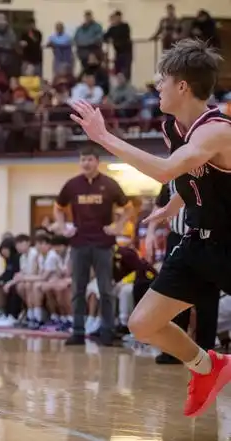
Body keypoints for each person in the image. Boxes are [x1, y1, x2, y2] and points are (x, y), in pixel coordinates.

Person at [69, 38, 231, 417]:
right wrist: (174, 204)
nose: (156, 87)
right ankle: (209, 367)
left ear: (182, 86)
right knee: (142, 324)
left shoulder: (217, 130)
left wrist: (104, 138)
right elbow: (193, 177)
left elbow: (165, 170)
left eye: (162, 80)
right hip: (198, 243)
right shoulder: (173, 127)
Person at [53, 146, 133, 346]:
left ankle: (107, 331)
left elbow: (129, 207)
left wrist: (118, 226)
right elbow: (58, 207)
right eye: (82, 159)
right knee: (77, 290)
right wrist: (63, 227)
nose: (85, 163)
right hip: (79, 243)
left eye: (89, 159)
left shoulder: (110, 184)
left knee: (105, 289)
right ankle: (78, 332)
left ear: (97, 161)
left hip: (103, 244)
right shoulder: (72, 185)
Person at [147, 182, 220, 364]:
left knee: (208, 297)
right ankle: (175, 351)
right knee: (173, 293)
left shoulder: (210, 170)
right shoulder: (171, 177)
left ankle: (206, 351)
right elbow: (161, 205)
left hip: (208, 239)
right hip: (178, 238)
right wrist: (150, 233)